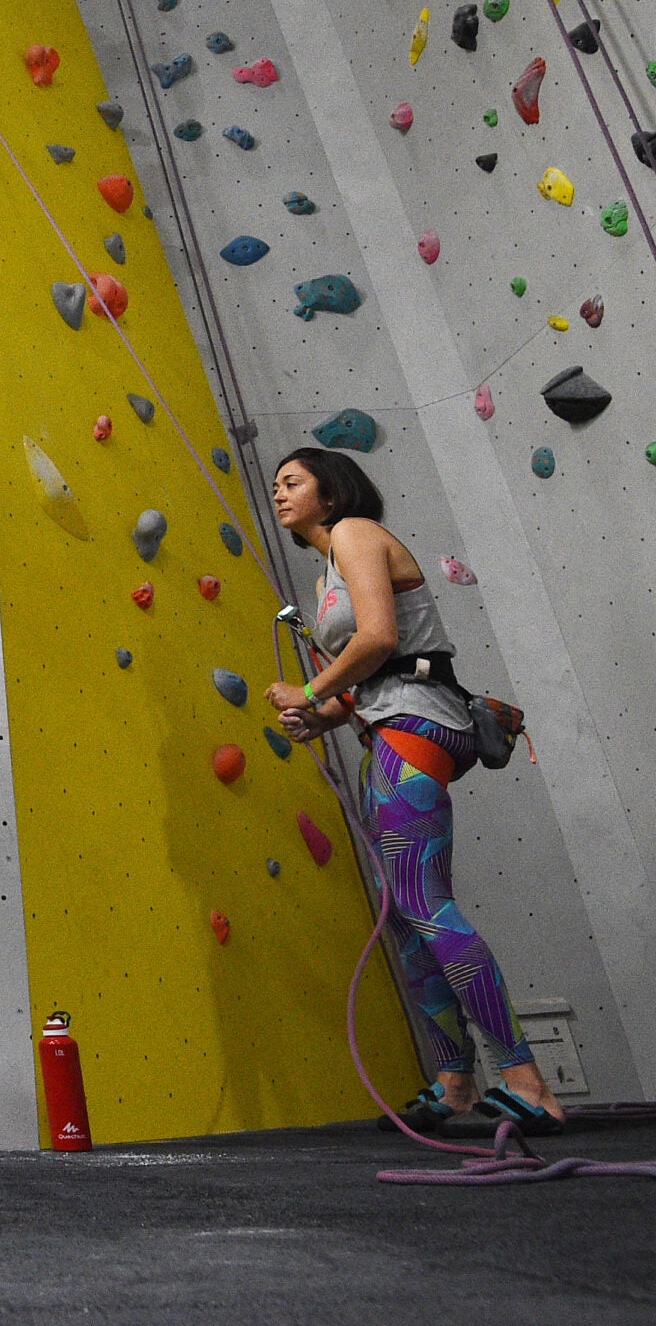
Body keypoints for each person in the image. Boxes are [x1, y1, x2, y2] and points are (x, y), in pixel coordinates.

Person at [264, 447, 563, 1136]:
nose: (279, 493)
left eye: (293, 482)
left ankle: (527, 1082)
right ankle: (457, 1081)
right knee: (403, 915)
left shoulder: (355, 534)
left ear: (331, 492)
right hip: (388, 726)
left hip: (419, 726)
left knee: (426, 903)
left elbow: (378, 637)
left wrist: (311, 689)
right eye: (276, 484)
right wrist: (319, 716)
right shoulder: (323, 579)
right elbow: (364, 683)